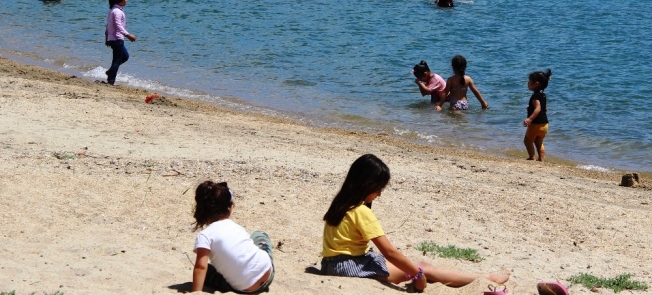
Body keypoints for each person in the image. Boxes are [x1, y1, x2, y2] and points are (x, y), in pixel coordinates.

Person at [321, 154, 510, 292]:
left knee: (420, 264)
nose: (380, 194)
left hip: (332, 263)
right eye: (378, 189)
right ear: (367, 185)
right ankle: (485, 278)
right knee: (423, 268)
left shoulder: (341, 204)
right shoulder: (361, 211)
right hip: (350, 265)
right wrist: (418, 276)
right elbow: (390, 252)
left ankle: (478, 276)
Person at [191, 181, 274, 293]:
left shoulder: (205, 236)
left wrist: (196, 292)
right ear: (230, 208)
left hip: (244, 289)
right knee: (260, 235)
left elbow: (200, 267)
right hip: (267, 274)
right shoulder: (235, 226)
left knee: (209, 271)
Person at [104, 0, 136, 85]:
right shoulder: (117, 12)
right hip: (117, 39)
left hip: (113, 38)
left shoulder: (113, 10)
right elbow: (118, 26)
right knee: (117, 60)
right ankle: (111, 80)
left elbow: (108, 26)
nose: (127, 0)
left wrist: (107, 38)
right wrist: (128, 35)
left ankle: (110, 71)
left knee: (125, 56)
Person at [523, 69, 552, 162]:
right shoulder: (543, 95)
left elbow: (538, 108)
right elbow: (544, 108)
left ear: (536, 84)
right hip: (545, 124)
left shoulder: (535, 96)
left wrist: (529, 119)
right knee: (539, 142)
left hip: (536, 124)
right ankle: (541, 158)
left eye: (530, 81)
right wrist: (530, 107)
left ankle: (532, 157)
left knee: (528, 141)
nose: (528, 83)